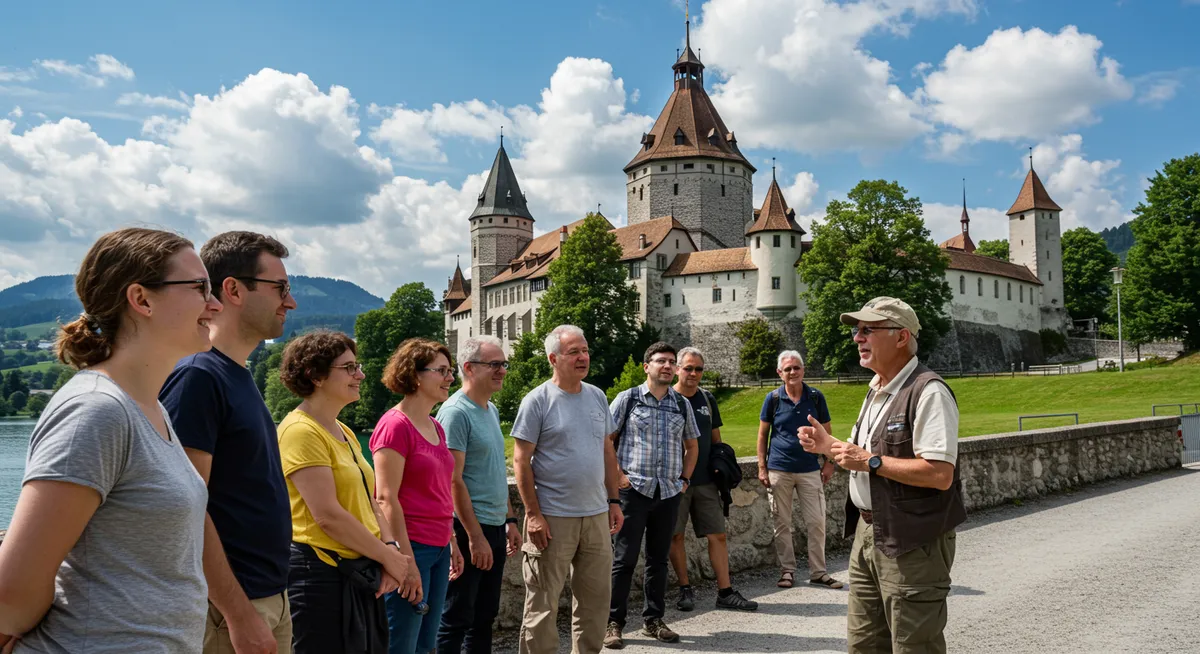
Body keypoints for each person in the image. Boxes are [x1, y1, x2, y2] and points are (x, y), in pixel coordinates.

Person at [0, 228, 220, 652]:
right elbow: (12, 592)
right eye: (199, 287)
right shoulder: (97, 410)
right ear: (141, 300)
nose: (213, 303)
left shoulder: (149, 409)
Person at [800, 297, 964, 654]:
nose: (857, 337)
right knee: (864, 644)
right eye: (857, 330)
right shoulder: (877, 389)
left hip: (912, 539)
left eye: (867, 330)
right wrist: (829, 446)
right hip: (868, 532)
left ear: (901, 337)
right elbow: (861, 456)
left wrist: (871, 462)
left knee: (913, 645)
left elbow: (939, 474)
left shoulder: (929, 391)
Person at [160, 231, 298, 654]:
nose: (290, 302)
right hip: (230, 608)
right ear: (234, 289)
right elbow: (185, 509)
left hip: (266, 595)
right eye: (281, 288)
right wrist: (238, 613)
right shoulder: (199, 377)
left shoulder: (236, 374)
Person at [277, 330, 417, 653]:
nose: (361, 375)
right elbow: (327, 516)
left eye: (358, 366)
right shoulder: (300, 431)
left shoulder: (342, 430)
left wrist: (390, 548)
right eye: (349, 368)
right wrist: (388, 558)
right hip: (321, 578)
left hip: (356, 574)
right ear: (316, 376)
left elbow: (369, 499)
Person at [512, 325, 624, 654]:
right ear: (553, 358)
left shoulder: (597, 396)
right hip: (552, 518)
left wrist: (614, 500)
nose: (583, 357)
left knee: (595, 603)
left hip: (595, 515)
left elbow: (606, 450)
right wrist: (532, 515)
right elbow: (521, 461)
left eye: (585, 350)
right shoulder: (537, 401)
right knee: (542, 607)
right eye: (573, 352)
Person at [369, 338, 464, 654]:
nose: (450, 378)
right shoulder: (394, 426)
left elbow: (438, 491)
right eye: (441, 371)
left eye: (450, 371)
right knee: (402, 644)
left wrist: (451, 541)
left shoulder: (435, 425)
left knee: (427, 644)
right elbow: (385, 498)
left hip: (437, 548)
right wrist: (404, 561)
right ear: (414, 375)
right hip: (412, 547)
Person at [604, 342, 699, 648]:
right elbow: (606, 440)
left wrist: (684, 479)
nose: (668, 366)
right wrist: (618, 477)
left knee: (658, 560)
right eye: (661, 361)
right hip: (633, 491)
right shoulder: (628, 398)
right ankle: (613, 623)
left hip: (668, 492)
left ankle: (653, 620)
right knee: (624, 559)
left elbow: (692, 445)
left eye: (672, 362)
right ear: (647, 367)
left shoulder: (681, 404)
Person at [436, 336, 522, 653]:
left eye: (504, 364)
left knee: (484, 616)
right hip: (468, 527)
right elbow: (452, 480)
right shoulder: (456, 412)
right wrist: (474, 537)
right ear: (470, 368)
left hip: (494, 525)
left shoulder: (490, 409)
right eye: (495, 365)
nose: (502, 370)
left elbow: (494, 471)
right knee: (456, 617)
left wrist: (510, 518)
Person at [668, 347, 758, 613]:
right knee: (675, 536)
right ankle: (685, 590)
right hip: (676, 482)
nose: (694, 373)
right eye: (688, 368)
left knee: (717, 535)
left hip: (707, 480)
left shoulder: (707, 399)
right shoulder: (667, 399)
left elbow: (716, 440)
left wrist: (723, 467)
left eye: (699, 369)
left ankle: (725, 591)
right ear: (677, 369)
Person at [756, 350, 840, 591]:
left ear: (803, 370)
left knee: (816, 521)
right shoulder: (772, 398)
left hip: (809, 468)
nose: (793, 372)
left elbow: (827, 432)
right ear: (779, 373)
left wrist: (829, 462)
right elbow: (763, 435)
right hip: (779, 468)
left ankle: (819, 572)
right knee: (782, 522)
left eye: (797, 368)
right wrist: (762, 467)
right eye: (788, 369)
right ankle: (788, 571)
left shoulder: (815, 397)